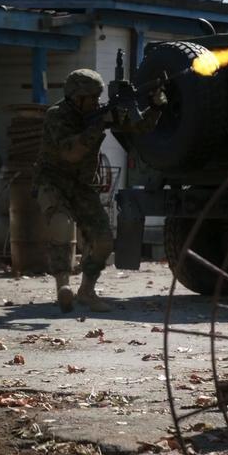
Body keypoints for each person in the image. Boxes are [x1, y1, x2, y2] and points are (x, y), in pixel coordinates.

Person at [34, 69, 164, 313]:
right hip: (53, 181)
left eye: (97, 97)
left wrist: (155, 107)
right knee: (62, 227)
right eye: (91, 97)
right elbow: (70, 152)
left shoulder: (96, 113)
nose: (96, 102)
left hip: (82, 186)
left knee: (103, 240)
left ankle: (86, 291)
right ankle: (64, 287)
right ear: (76, 97)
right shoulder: (57, 116)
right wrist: (98, 126)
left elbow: (140, 128)